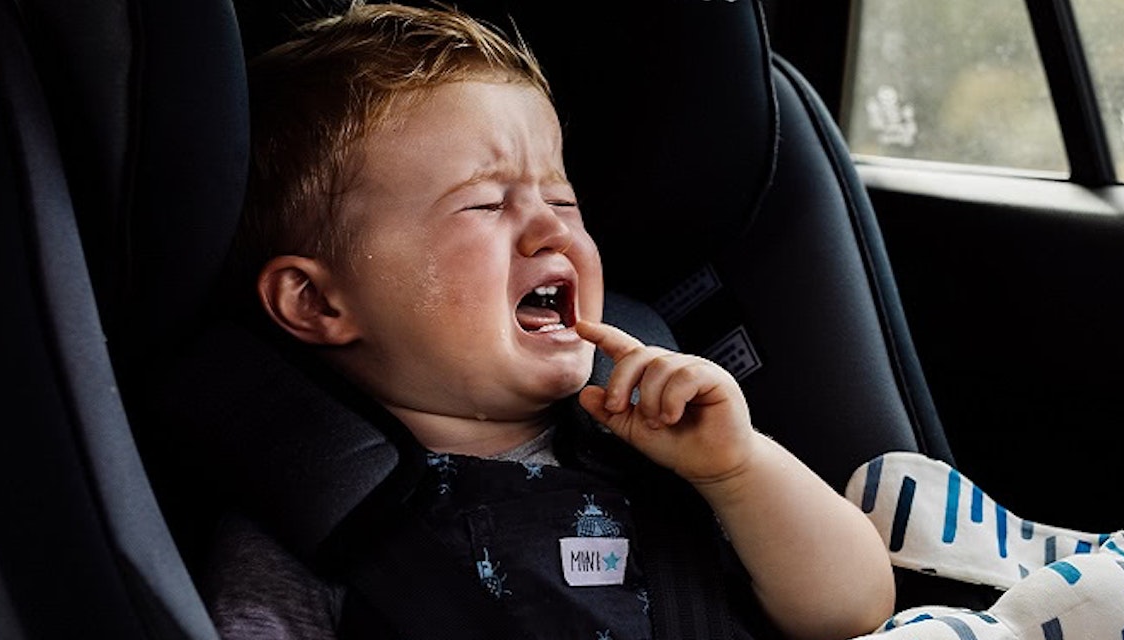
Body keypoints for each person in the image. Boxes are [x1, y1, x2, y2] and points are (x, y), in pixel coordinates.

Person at [200, 3, 895, 638]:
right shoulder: (314, 525)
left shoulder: (665, 445)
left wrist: (737, 471)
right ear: (317, 302)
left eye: (562, 203)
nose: (548, 230)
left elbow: (853, 611)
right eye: (485, 205)